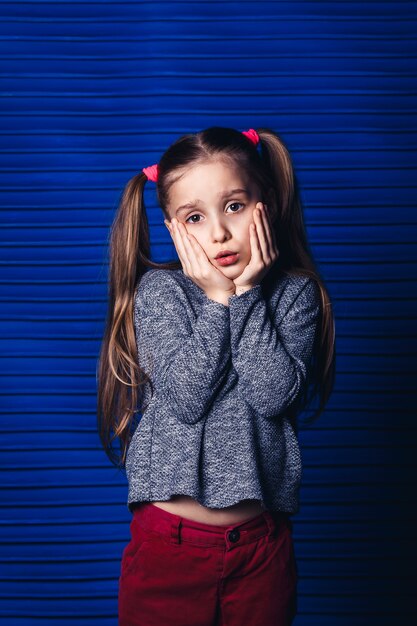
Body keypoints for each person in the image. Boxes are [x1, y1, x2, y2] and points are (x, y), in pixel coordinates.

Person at [97, 126, 335, 625]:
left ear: (265, 203)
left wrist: (245, 296)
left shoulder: (294, 296)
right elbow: (186, 395)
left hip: (260, 552)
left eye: (234, 206)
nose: (219, 234)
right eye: (195, 218)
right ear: (172, 228)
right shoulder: (160, 292)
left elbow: (272, 395)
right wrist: (218, 299)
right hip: (169, 547)